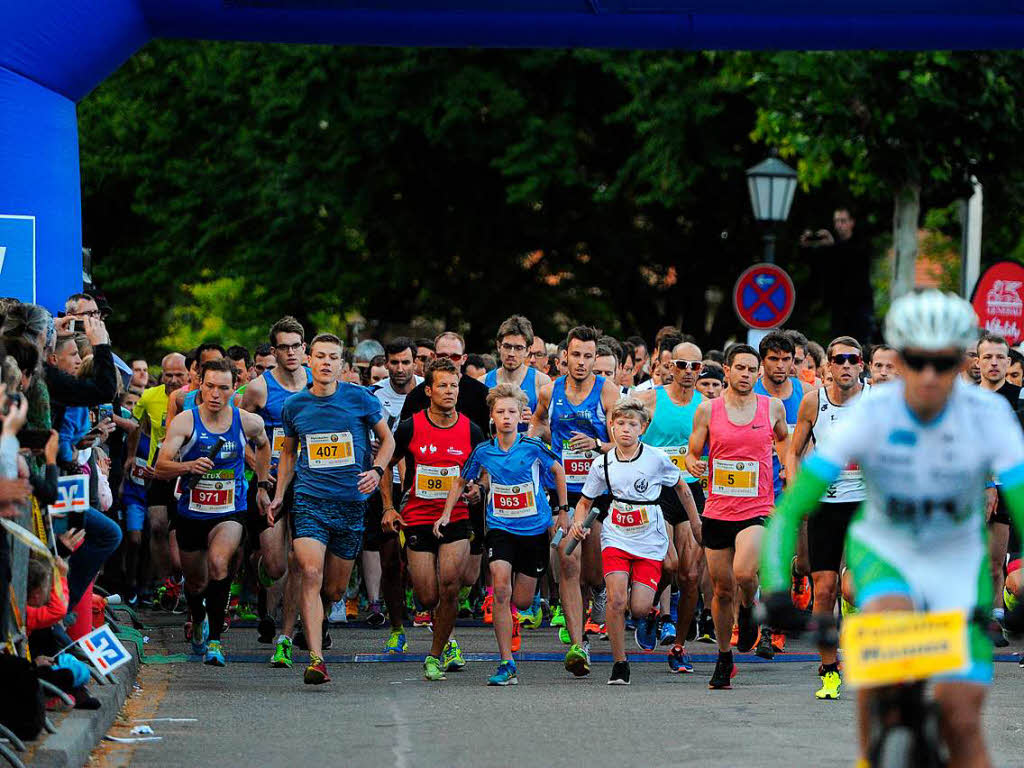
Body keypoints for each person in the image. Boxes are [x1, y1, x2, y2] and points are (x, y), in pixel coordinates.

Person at [762, 290, 1024, 768]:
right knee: (879, 675)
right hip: (886, 556)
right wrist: (776, 587)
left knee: (963, 725)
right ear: (901, 358)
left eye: (942, 362)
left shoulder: (988, 415)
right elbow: (791, 507)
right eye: (916, 360)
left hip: (955, 566)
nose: (928, 375)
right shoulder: (872, 413)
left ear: (960, 361)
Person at [272, 333, 393, 684]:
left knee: (334, 589)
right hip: (310, 499)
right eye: (320, 356)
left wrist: (376, 470)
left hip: (351, 503)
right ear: (309, 360)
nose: (326, 362)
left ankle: (320, 620)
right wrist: (281, 494)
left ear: (342, 364)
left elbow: (388, 440)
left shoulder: (358, 399)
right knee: (309, 573)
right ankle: (316, 659)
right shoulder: (294, 405)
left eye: (333, 357)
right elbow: (289, 453)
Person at [440, 384, 567, 686]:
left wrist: (562, 511)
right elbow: (460, 481)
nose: (506, 417)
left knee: (521, 602)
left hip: (534, 529)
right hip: (500, 527)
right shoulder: (483, 451)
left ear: (521, 416)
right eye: (500, 412)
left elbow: (558, 471)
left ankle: (519, 612)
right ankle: (506, 661)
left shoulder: (533, 446)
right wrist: (446, 513)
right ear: (492, 417)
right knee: (500, 588)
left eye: (512, 412)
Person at [571, 397, 701, 685]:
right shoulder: (602, 462)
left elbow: (681, 488)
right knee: (617, 600)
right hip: (616, 534)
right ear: (611, 427)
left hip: (649, 538)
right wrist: (579, 523)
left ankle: (651, 613)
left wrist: (695, 522)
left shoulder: (655, 458)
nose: (626, 429)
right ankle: (620, 664)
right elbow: (584, 501)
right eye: (620, 424)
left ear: (643, 428)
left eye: (632, 424)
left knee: (638, 607)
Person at [686, 344, 790, 689]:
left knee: (744, 572)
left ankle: (748, 609)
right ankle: (723, 657)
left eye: (751, 369)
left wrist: (788, 467)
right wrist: (693, 463)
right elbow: (692, 452)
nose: (746, 375)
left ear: (758, 373)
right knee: (721, 589)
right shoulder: (708, 410)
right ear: (726, 371)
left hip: (757, 508)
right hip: (718, 509)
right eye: (740, 369)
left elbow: (784, 440)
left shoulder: (771, 407)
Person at [156, 358, 272, 667]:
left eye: (223, 388)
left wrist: (261, 484)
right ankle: (198, 622)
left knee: (220, 563)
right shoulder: (185, 421)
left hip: (230, 509)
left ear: (235, 389)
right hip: (192, 511)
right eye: (210, 387)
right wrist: (188, 466)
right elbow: (161, 466)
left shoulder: (247, 421)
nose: (216, 394)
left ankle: (216, 642)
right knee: (195, 583)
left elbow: (264, 445)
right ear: (200, 386)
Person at [382, 358, 485, 681]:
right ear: (428, 390)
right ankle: (440, 631)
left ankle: (436, 653)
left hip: (456, 517)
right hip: (417, 517)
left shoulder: (471, 429)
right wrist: (388, 507)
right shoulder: (411, 426)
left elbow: (484, 470)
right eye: (442, 385)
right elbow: (385, 463)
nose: (449, 391)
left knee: (451, 585)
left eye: (454, 385)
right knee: (427, 596)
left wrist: (479, 488)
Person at [530, 325, 620, 677]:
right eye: (575, 355)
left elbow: (622, 444)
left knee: (594, 570)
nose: (581, 363)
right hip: (563, 492)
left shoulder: (607, 391)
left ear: (595, 358)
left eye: (588, 356)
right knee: (567, 560)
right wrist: (529, 443)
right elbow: (537, 425)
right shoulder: (550, 391)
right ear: (564, 356)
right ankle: (577, 643)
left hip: (598, 490)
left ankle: (598, 589)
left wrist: (597, 446)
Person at [786, 336, 865, 700]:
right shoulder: (814, 401)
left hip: (866, 506)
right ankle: (829, 669)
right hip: (825, 506)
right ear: (828, 366)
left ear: (861, 364)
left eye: (853, 359)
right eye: (839, 360)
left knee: (855, 586)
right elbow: (794, 449)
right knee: (825, 590)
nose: (846, 366)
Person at [239, 315, 313, 666]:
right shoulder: (259, 389)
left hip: (311, 483)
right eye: (283, 347)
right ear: (274, 351)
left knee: (302, 560)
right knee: (275, 562)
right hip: (270, 479)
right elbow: (240, 434)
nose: (290, 353)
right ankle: (265, 599)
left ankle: (289, 628)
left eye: (296, 346)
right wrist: (260, 479)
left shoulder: (319, 382)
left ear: (305, 348)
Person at [634, 341, 705, 671]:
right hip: (656, 495)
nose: (688, 372)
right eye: (681, 365)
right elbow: (620, 424)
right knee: (669, 565)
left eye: (694, 367)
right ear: (669, 367)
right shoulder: (650, 400)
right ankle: (651, 609)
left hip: (691, 492)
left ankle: (678, 646)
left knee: (690, 575)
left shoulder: (707, 407)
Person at [367, 337, 422, 651]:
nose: (400, 369)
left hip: (422, 484)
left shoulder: (430, 390)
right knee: (389, 560)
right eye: (394, 363)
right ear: (385, 363)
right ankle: (397, 625)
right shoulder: (374, 395)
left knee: (421, 560)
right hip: (385, 480)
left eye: (406, 362)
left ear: (416, 362)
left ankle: (422, 605)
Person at [753, 331, 807, 628]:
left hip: (795, 483)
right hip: (760, 484)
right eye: (773, 359)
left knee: (802, 560)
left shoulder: (807, 393)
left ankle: (800, 576)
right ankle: (770, 628)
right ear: (763, 362)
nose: (780, 365)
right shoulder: (752, 394)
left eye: (786, 359)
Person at [976, 333, 1024, 645]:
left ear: (1009, 362)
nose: (994, 363)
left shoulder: (1019, 398)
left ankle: (996, 615)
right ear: (977, 361)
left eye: (1000, 358)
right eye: (988, 357)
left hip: (1008, 488)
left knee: (996, 561)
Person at [132, 353, 188, 596]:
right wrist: (130, 458)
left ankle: (183, 578)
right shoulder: (149, 396)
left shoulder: (194, 398)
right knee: (156, 526)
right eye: (169, 375)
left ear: (188, 375)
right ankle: (167, 585)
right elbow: (136, 425)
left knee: (181, 532)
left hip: (186, 469)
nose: (174, 380)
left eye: (179, 375)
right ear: (161, 375)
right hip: (159, 468)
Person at [800, 206, 875, 342]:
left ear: (852, 222)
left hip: (859, 308)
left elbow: (854, 261)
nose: (839, 225)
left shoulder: (861, 244)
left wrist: (832, 246)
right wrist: (807, 247)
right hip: (838, 309)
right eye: (837, 221)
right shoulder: (830, 247)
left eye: (843, 221)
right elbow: (816, 269)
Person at [484, 315, 551, 432]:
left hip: (529, 449)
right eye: (507, 346)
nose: (511, 353)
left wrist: (534, 422)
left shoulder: (542, 382)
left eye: (519, 348)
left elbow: (554, 431)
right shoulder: (483, 382)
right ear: (499, 346)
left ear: (528, 350)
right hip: (493, 448)